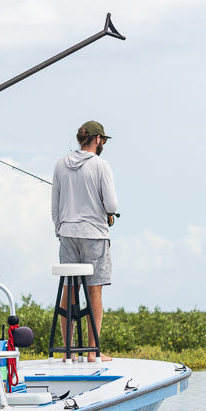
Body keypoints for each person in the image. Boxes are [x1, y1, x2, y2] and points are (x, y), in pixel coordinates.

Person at [51, 120, 119, 361]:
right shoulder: (101, 165)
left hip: (67, 233)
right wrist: (108, 214)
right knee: (94, 290)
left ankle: (67, 351)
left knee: (69, 289)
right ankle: (92, 351)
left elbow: (55, 206)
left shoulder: (60, 164)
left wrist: (61, 229)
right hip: (94, 235)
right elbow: (112, 205)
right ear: (98, 139)